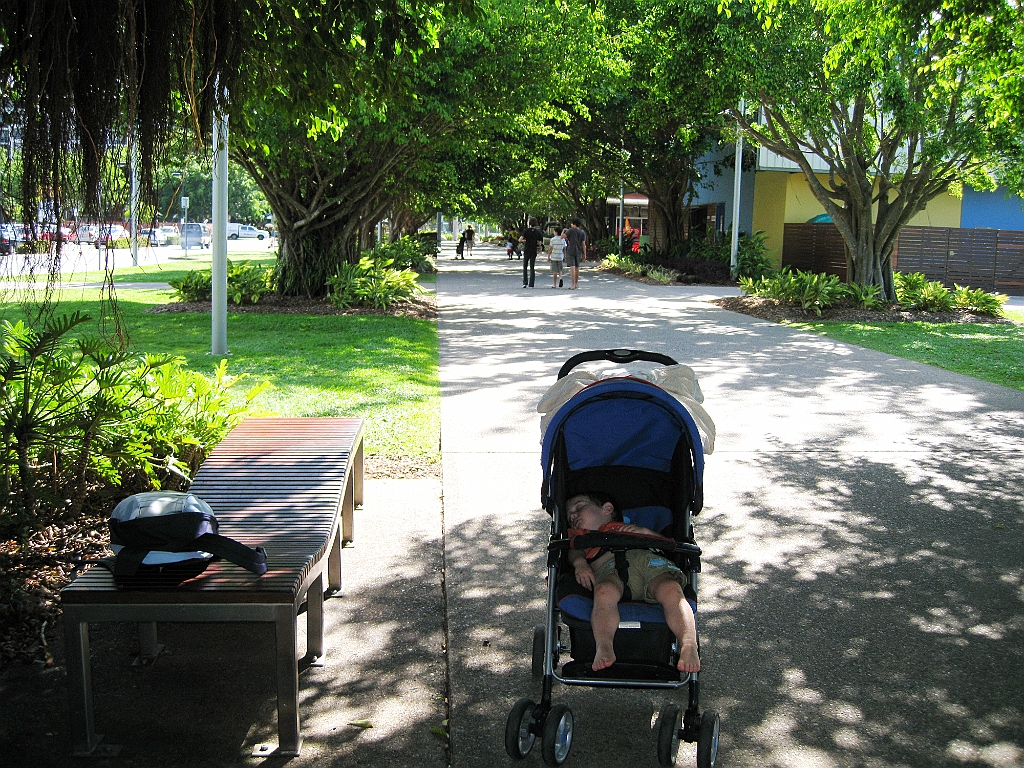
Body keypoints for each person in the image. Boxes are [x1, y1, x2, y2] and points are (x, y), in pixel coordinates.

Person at [566, 491, 699, 674]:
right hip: (610, 569)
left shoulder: (630, 528)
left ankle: (689, 644)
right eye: (569, 516)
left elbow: (671, 546)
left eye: (579, 507)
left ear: (607, 509)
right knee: (603, 591)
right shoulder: (581, 536)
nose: (573, 516)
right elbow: (574, 551)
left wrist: (646, 533)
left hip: (651, 564)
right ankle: (604, 645)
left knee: (671, 589)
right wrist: (580, 564)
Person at [518, 219, 544, 288]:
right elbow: (540, 243)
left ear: (529, 223)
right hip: (533, 250)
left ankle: (525, 282)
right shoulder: (537, 232)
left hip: (527, 250)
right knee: (532, 267)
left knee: (525, 266)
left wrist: (524, 241)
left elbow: (520, 239)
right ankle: (531, 284)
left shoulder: (526, 231)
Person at [564, 219, 587, 289]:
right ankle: (576, 283)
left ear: (574, 224)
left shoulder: (570, 230)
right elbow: (583, 244)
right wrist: (585, 253)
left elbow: (562, 236)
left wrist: (564, 230)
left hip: (571, 251)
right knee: (577, 268)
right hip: (578, 251)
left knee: (572, 268)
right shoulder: (582, 232)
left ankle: (573, 284)